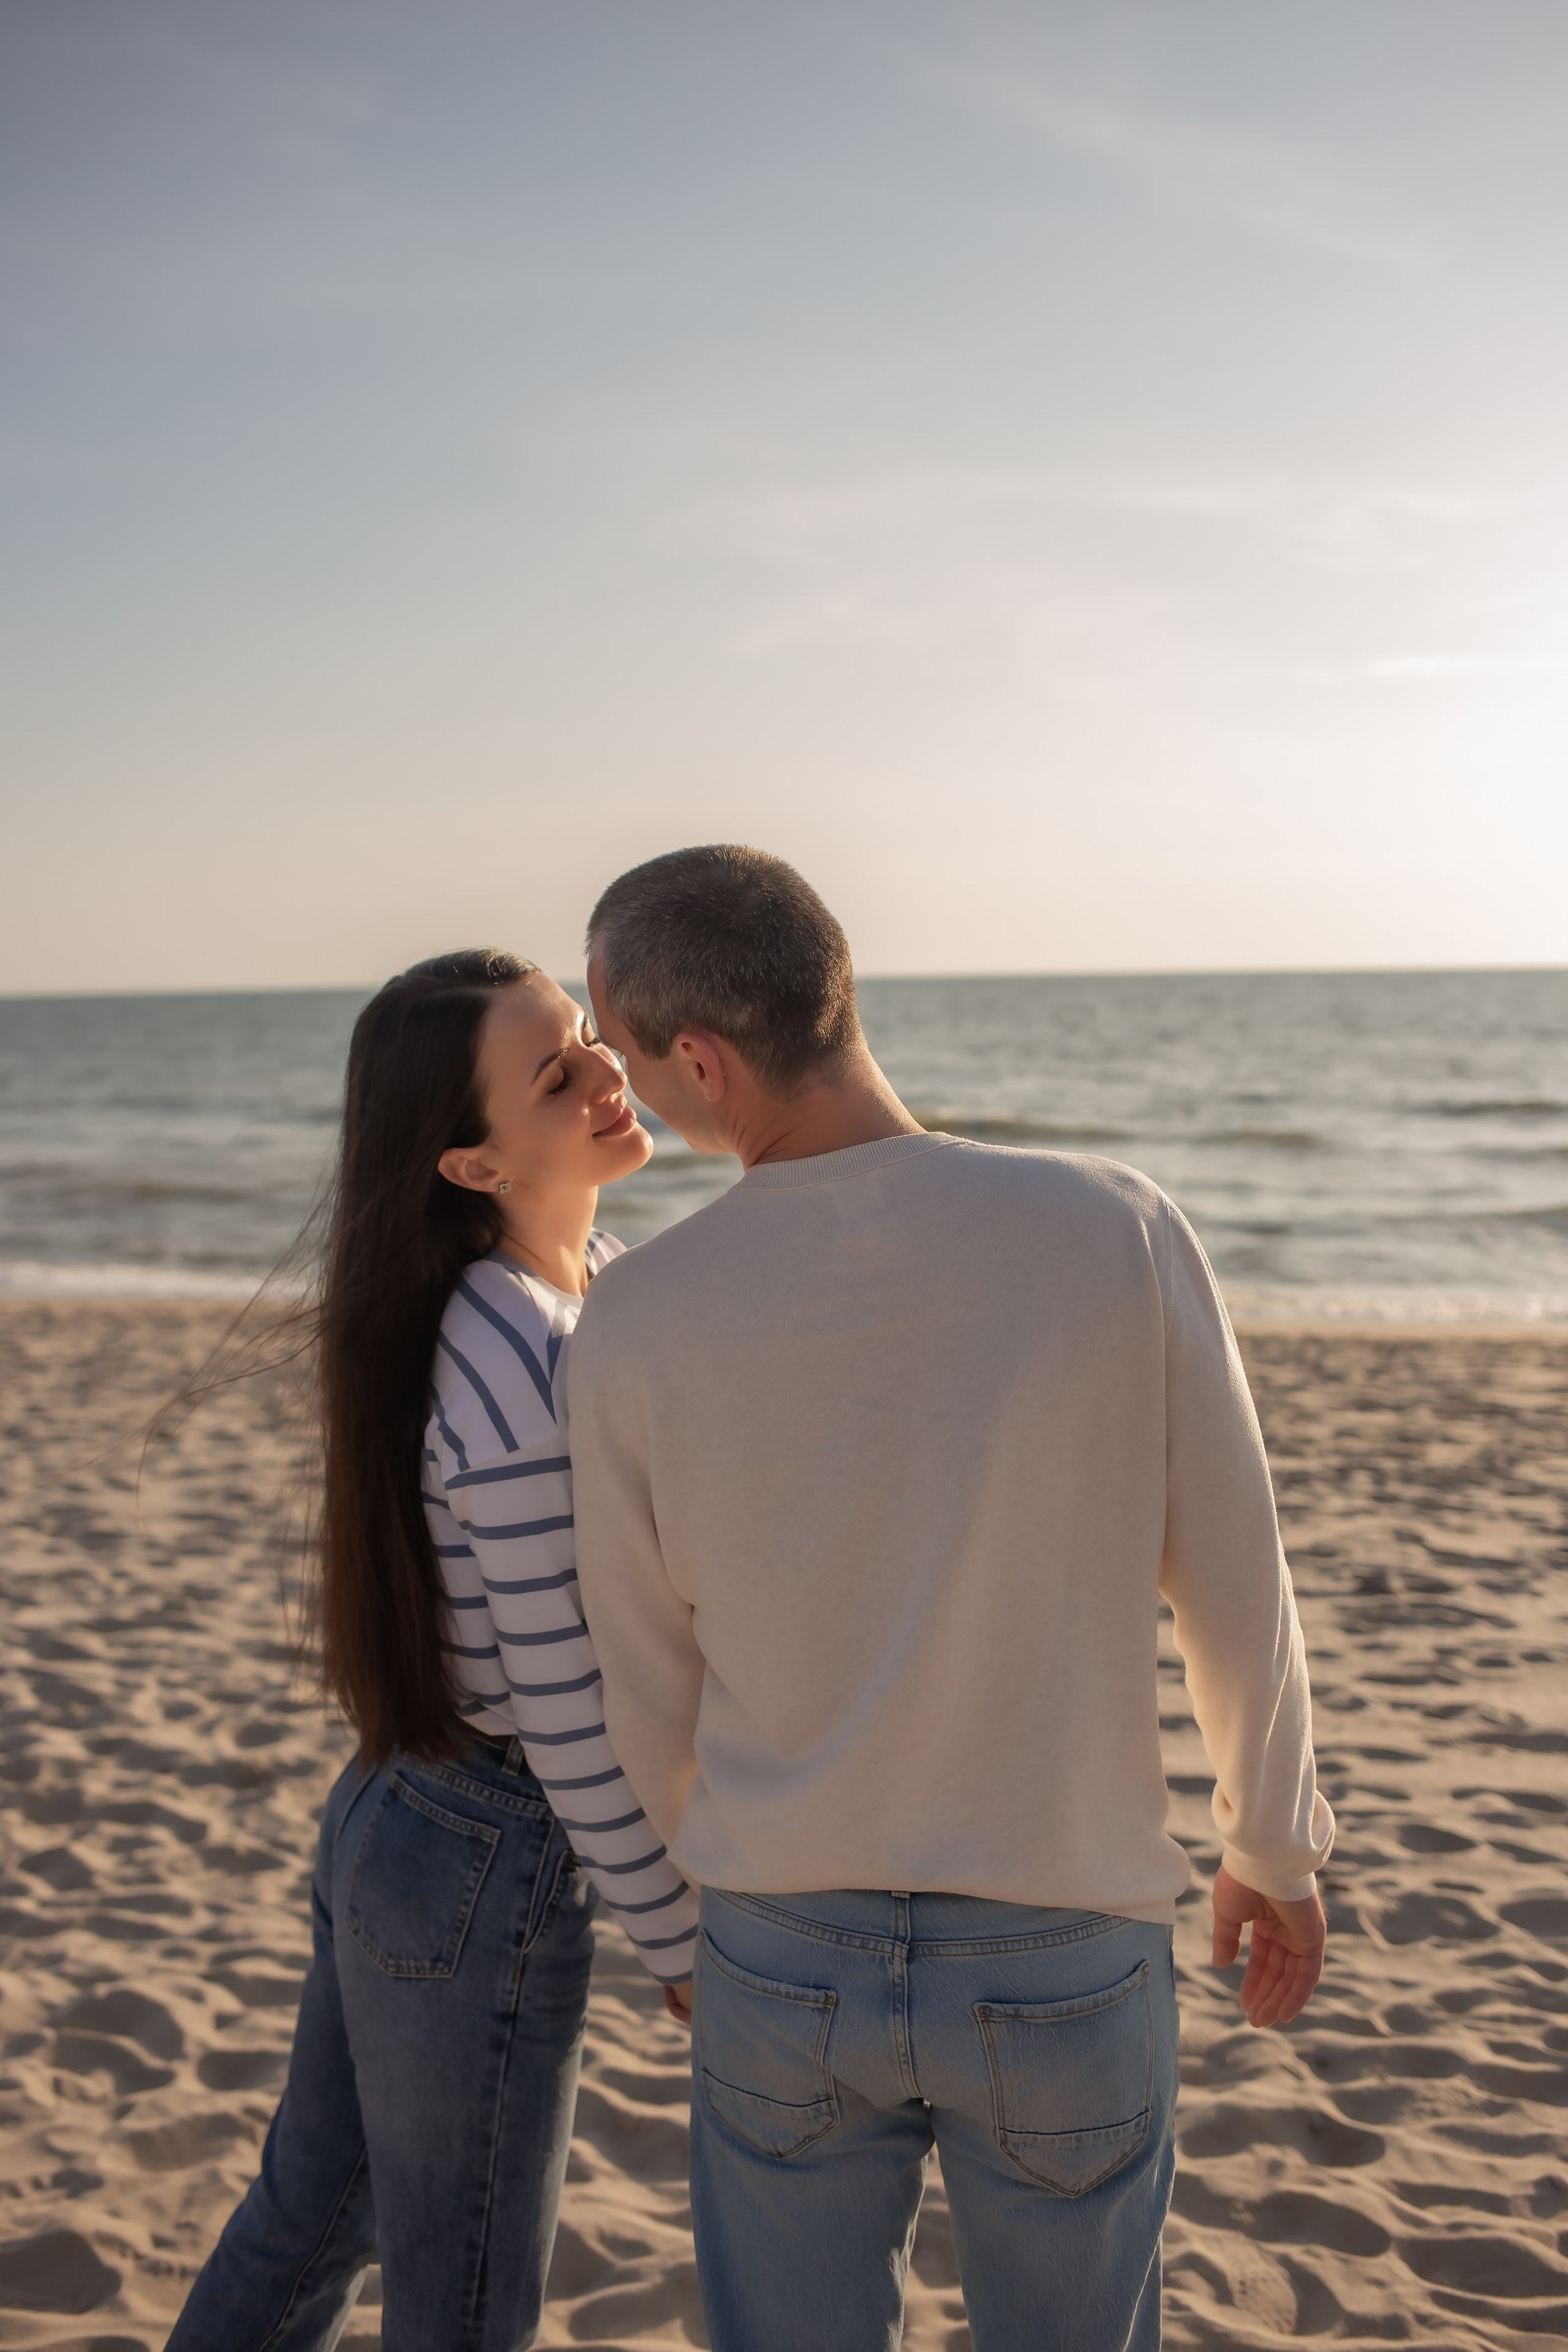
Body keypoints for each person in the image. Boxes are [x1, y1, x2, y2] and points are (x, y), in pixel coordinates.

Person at [568, 848, 1335, 2352]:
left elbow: (640, 1682)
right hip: (1057, 1931)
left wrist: (706, 1915)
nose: (631, 1091)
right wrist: (1270, 1839)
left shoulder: (640, 1315)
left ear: (705, 1063)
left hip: (781, 1945)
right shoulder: (1113, 1226)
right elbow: (1237, 1578)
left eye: (628, 1056)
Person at [167, 949, 698, 2352]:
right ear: (470, 1163)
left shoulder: (585, 1292)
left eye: (590, 1039)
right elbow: (563, 1699)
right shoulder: (513, 1355)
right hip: (486, 1849)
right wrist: (678, 1936)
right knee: (459, 2307)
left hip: (403, 1814)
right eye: (556, 1073)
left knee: (308, 2223)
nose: (605, 1073)